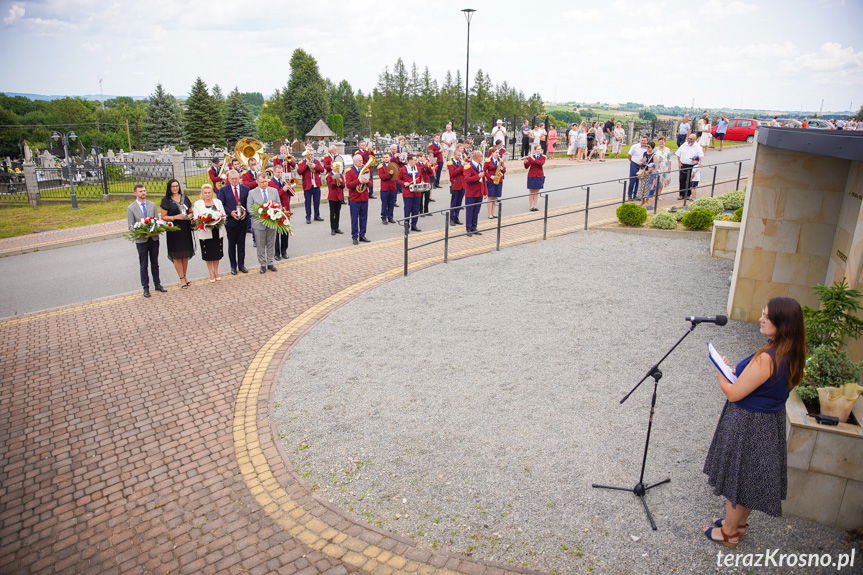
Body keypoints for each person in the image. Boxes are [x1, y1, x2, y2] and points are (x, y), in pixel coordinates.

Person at [702, 298, 806, 549]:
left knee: (737, 476)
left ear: (783, 323)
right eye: (762, 314)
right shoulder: (792, 352)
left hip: (749, 424)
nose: (761, 319)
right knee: (748, 477)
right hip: (768, 423)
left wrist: (720, 373)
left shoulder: (768, 358)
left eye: (767, 317)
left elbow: (734, 393)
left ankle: (728, 533)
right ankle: (736, 524)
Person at [127, 184, 167, 297]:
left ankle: (157, 284)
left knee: (155, 263)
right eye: (140, 191)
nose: (143, 193)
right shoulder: (131, 208)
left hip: (153, 238)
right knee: (143, 264)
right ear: (135, 193)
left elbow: (157, 221)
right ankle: (145, 288)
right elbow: (130, 226)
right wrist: (141, 233)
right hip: (142, 240)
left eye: (144, 191)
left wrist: (154, 231)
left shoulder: (152, 205)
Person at [159, 179, 195, 288]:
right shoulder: (166, 200)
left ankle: (185, 276)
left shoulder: (184, 197)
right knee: (177, 255)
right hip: (174, 230)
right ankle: (181, 278)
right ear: (169, 188)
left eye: (177, 186)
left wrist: (189, 216)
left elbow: (191, 212)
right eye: (173, 186)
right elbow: (163, 217)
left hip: (185, 229)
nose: (175, 188)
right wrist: (175, 217)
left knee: (185, 254)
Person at [216, 169, 250, 275]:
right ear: (228, 179)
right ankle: (233, 266)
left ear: (239, 178)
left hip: (243, 221)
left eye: (236, 178)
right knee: (231, 245)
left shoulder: (246, 189)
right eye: (232, 179)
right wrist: (230, 212)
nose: (234, 180)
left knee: (241, 245)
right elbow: (221, 205)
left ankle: (241, 265)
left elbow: (249, 203)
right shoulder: (223, 190)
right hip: (231, 222)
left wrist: (246, 212)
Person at [247, 172, 281, 273]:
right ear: (257, 182)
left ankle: (270, 262)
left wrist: (274, 214)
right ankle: (262, 264)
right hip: (259, 224)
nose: (264, 184)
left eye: (266, 181)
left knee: (271, 243)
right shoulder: (252, 193)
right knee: (260, 245)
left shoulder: (274, 191)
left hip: (272, 222)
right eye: (262, 182)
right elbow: (249, 208)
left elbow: (278, 204)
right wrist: (261, 216)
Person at [192, 184, 226, 282]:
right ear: (202, 193)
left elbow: (223, 215)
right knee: (208, 254)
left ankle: (216, 271)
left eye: (209, 192)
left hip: (217, 231)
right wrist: (205, 223)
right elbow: (196, 218)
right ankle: (211, 273)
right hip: (206, 232)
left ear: (212, 193)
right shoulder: (198, 204)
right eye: (205, 193)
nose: (207, 194)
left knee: (217, 253)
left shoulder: (218, 202)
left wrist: (219, 220)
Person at [344, 154, 371, 244]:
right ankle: (355, 237)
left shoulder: (365, 170)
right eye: (359, 161)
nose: (361, 162)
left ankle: (362, 235)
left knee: (364, 218)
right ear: (354, 161)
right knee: (354, 219)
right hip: (355, 199)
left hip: (364, 197)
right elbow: (348, 185)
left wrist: (367, 182)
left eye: (362, 160)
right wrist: (359, 181)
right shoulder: (350, 171)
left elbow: (370, 183)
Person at [271, 164, 293, 260]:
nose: (280, 174)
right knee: (276, 233)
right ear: (274, 172)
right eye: (278, 172)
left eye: (281, 172)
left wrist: (289, 185)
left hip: (286, 209)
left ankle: (284, 251)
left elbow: (292, 193)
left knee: (285, 232)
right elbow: (275, 195)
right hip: (276, 210)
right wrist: (283, 189)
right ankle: (277, 253)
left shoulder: (284, 181)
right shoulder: (271, 182)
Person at [297, 149, 325, 224]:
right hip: (307, 185)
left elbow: (322, 170)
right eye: (309, 154)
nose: (310, 156)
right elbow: (299, 172)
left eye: (311, 154)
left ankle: (317, 216)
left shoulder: (316, 161)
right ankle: (308, 217)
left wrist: (315, 166)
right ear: (306, 155)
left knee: (317, 202)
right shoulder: (302, 162)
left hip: (316, 185)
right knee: (308, 202)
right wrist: (306, 165)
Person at [463, 150, 486, 236]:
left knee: (476, 211)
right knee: (470, 211)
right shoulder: (468, 166)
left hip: (479, 192)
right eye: (481, 156)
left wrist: (484, 191)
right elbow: (467, 179)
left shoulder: (480, 165)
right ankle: (468, 229)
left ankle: (474, 227)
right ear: (477, 157)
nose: (482, 158)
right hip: (471, 193)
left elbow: (483, 180)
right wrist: (477, 176)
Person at [676, 133, 704, 199]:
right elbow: (678, 154)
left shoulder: (697, 146)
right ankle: (681, 194)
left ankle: (688, 195)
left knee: (690, 180)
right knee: (682, 180)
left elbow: (701, 156)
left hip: (692, 166)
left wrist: (702, 162)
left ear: (695, 140)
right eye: (688, 138)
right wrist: (679, 162)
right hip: (683, 165)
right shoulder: (684, 144)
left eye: (691, 139)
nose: (689, 140)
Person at [399, 154, 422, 232]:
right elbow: (398, 179)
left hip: (417, 192)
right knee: (407, 209)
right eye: (415, 160)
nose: (416, 161)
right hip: (407, 193)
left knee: (416, 209)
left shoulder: (418, 168)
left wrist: (422, 182)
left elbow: (420, 177)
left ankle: (414, 225)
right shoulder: (403, 169)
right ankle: (406, 226)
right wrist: (404, 183)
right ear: (410, 160)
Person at [484, 149, 505, 219]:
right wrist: (490, 176)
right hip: (491, 180)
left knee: (495, 197)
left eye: (498, 152)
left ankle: (493, 213)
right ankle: (490, 214)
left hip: (499, 180)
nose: (497, 154)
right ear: (492, 153)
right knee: (490, 197)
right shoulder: (488, 161)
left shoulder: (500, 160)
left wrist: (502, 168)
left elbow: (504, 171)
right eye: (496, 152)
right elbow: (484, 171)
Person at [377, 152, 398, 225]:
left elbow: (397, 175)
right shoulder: (381, 166)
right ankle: (384, 218)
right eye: (384, 157)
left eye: (387, 157)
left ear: (390, 158)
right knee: (384, 204)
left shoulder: (393, 165)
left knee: (391, 203)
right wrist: (389, 174)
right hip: (385, 188)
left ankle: (390, 217)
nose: (385, 159)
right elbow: (382, 177)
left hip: (392, 187)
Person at [626, 136, 649, 201]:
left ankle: (635, 195)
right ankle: (629, 196)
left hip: (642, 166)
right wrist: (632, 162)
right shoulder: (635, 146)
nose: (643, 142)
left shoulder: (647, 148)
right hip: (634, 164)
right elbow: (629, 155)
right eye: (642, 140)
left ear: (647, 141)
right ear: (640, 140)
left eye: (644, 140)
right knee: (632, 180)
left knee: (638, 181)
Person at [524, 145, 545, 212]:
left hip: (539, 175)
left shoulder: (543, 157)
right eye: (538, 149)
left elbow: (541, 163)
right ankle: (531, 206)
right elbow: (526, 167)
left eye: (540, 149)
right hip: (531, 175)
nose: (539, 150)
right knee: (531, 192)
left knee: (536, 192)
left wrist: (533, 158)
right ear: (535, 150)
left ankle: (535, 206)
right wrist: (525, 162)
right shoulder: (531, 157)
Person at [326, 161, 345, 235]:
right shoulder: (329, 175)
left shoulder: (340, 175)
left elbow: (343, 186)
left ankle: (337, 228)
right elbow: (331, 186)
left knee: (338, 213)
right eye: (335, 166)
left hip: (339, 196)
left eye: (338, 167)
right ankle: (332, 229)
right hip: (332, 197)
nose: (337, 168)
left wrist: (340, 181)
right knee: (332, 213)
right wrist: (336, 178)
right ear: (331, 167)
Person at [447, 150, 465, 225]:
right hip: (455, 184)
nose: (459, 157)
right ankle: (451, 218)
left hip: (462, 185)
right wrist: (461, 166)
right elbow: (453, 174)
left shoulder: (461, 162)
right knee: (454, 202)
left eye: (460, 155)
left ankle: (456, 217)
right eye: (458, 155)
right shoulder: (450, 163)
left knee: (459, 203)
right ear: (454, 155)